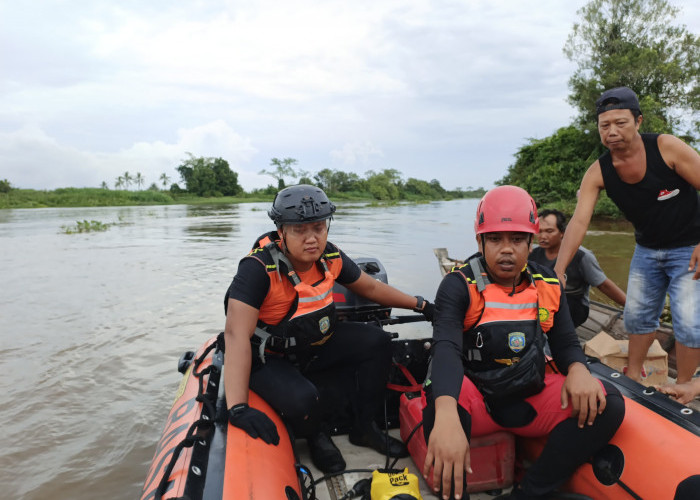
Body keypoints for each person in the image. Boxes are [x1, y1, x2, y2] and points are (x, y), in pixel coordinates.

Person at [422, 186, 625, 500]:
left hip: (527, 396)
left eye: (517, 239)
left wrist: (578, 369)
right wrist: (446, 411)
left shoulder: (547, 283)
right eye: (495, 239)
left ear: (532, 242)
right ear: (479, 241)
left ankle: (527, 493)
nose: (506, 250)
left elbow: (566, 342)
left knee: (608, 403)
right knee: (440, 401)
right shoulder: (459, 284)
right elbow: (446, 347)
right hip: (475, 399)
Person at [222, 184, 434, 474]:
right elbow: (235, 335)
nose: (312, 238)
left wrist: (420, 305)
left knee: (377, 341)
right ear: (281, 230)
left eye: (319, 227)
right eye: (300, 230)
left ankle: (364, 427)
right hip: (271, 355)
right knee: (303, 399)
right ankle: (315, 435)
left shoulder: (330, 256)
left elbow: (370, 286)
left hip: (317, 342)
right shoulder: (258, 268)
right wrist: (237, 408)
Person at [553, 86, 700, 385]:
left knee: (688, 321)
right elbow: (579, 223)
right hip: (647, 250)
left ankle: (684, 386)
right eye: (604, 125)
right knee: (637, 317)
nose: (612, 131)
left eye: (621, 122)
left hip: (689, 248)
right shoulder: (599, 172)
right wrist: (558, 268)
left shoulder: (667, 148)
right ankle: (633, 377)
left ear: (639, 121)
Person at [529, 208, 626, 327]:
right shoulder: (532, 253)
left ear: (562, 233)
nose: (543, 236)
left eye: (549, 231)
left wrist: (630, 308)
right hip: (545, 300)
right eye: (539, 231)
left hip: (573, 303)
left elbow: (604, 285)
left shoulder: (581, 255)